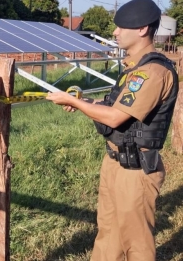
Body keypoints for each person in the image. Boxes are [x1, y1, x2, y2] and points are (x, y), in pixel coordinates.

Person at [46, 0, 179, 260]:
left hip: (137, 170)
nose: (115, 33)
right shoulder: (134, 69)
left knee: (136, 240)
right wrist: (86, 103)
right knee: (108, 234)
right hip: (115, 162)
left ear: (141, 29)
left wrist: (72, 101)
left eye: (121, 27)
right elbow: (115, 105)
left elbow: (117, 117)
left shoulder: (152, 72)